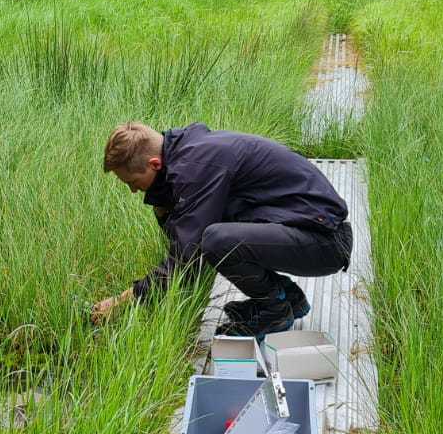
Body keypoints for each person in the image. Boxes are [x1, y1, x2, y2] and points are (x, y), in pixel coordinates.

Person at [90, 121, 352, 336]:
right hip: (306, 229)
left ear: (155, 164)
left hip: (325, 242)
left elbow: (187, 256)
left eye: (133, 182)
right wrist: (163, 202)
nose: (134, 190)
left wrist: (123, 301)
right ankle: (288, 298)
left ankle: (274, 310)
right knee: (216, 233)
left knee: (216, 240)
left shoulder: (196, 167)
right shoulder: (188, 152)